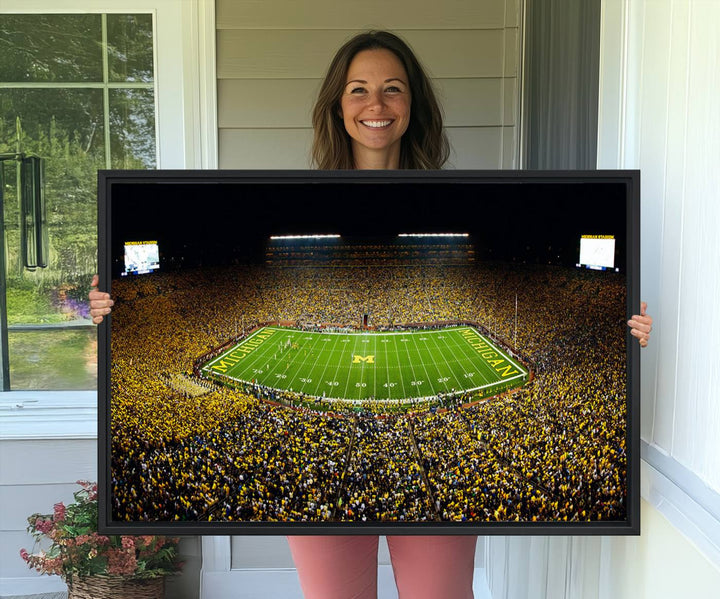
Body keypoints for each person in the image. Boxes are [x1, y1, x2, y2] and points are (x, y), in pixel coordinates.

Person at [89, 30, 653, 599]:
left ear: (413, 105)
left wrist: (622, 327)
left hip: (430, 486)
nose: (376, 105)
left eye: (392, 89)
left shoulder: (456, 196)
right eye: (358, 90)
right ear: (338, 104)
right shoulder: (296, 194)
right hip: (326, 496)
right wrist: (113, 313)